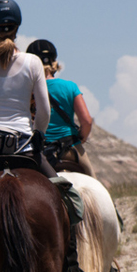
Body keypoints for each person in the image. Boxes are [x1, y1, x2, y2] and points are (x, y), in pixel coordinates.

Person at [0, 0, 92, 272]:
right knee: (67, 200)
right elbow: (42, 111)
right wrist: (38, 135)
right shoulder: (32, 63)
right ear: (16, 30)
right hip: (25, 149)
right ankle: (70, 270)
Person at [26, 39, 96, 177]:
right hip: (69, 149)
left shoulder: (26, 90)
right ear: (54, 63)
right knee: (94, 182)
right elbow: (87, 121)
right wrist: (80, 139)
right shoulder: (70, 87)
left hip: (36, 150)